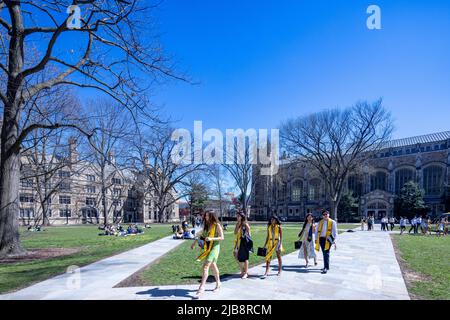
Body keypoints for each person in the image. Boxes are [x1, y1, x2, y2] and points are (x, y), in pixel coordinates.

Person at [190, 211, 224, 297]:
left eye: (208, 216)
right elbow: (201, 236)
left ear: (212, 216)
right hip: (208, 248)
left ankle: (201, 288)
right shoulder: (207, 225)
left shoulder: (217, 225)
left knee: (205, 266)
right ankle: (218, 283)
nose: (206, 217)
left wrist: (211, 238)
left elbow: (222, 237)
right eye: (205, 216)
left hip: (215, 248)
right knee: (213, 266)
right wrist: (194, 243)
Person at [315, 210, 337, 274]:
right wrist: (316, 239)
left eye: (326, 214)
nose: (325, 215)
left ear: (329, 214)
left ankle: (325, 267)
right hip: (321, 239)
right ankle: (326, 266)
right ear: (322, 215)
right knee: (324, 253)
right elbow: (316, 231)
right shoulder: (320, 222)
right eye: (324, 214)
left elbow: (335, 232)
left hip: (328, 239)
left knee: (326, 252)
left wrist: (334, 240)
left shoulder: (332, 222)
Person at [233, 212, 252, 279]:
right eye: (237, 216)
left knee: (245, 258)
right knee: (235, 255)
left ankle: (245, 273)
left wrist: (249, 244)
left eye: (238, 216)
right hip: (238, 242)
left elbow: (249, 235)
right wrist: (237, 225)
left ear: (242, 217)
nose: (237, 217)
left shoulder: (245, 224)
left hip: (244, 243)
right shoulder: (238, 224)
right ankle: (243, 270)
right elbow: (235, 233)